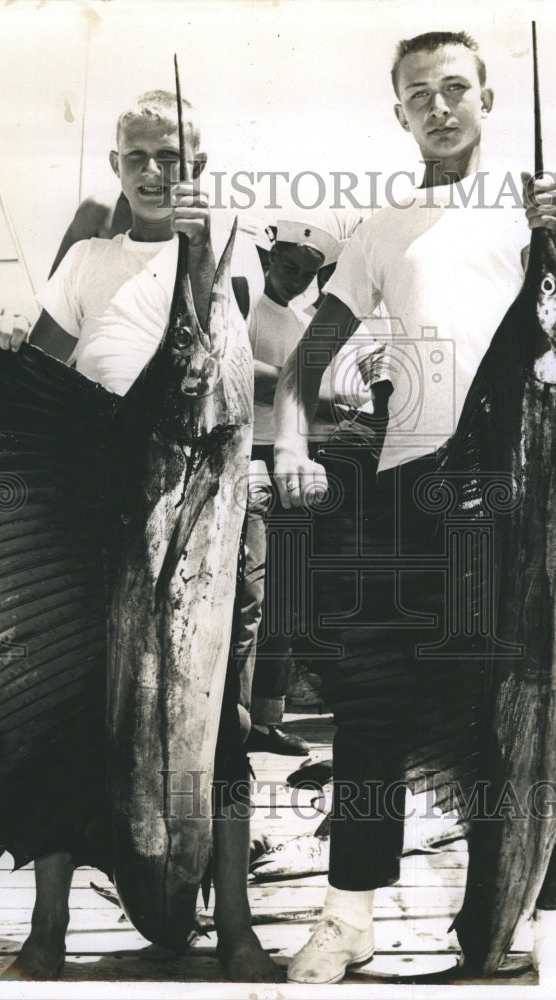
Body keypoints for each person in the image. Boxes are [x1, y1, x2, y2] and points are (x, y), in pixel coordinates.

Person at [272, 31, 556, 983]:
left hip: (508, 493)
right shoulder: (381, 228)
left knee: (500, 711)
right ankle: (349, 913)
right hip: (404, 485)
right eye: (418, 95)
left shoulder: (533, 213)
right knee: (370, 704)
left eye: (455, 89)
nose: (438, 107)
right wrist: (287, 441)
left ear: (486, 97)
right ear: (398, 111)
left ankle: (508, 920)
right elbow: (307, 360)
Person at [0, 89, 281, 982]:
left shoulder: (230, 262)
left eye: (173, 157)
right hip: (98, 499)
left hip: (205, 497)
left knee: (218, 717)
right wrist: (5, 331)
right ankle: (48, 928)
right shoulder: (86, 259)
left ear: (199, 168)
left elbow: (268, 344)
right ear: (116, 168)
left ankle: (235, 927)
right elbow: (44, 370)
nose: (155, 171)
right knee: (69, 710)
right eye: (138, 156)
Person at [237, 220, 342, 757]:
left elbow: (307, 393)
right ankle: (235, 721)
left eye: (308, 273)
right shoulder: (241, 301)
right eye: (287, 266)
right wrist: (307, 389)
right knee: (250, 594)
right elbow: (239, 371)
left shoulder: (309, 320)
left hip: (292, 462)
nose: (297, 280)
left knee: (285, 594)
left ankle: (268, 716)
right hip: (246, 459)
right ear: (267, 256)